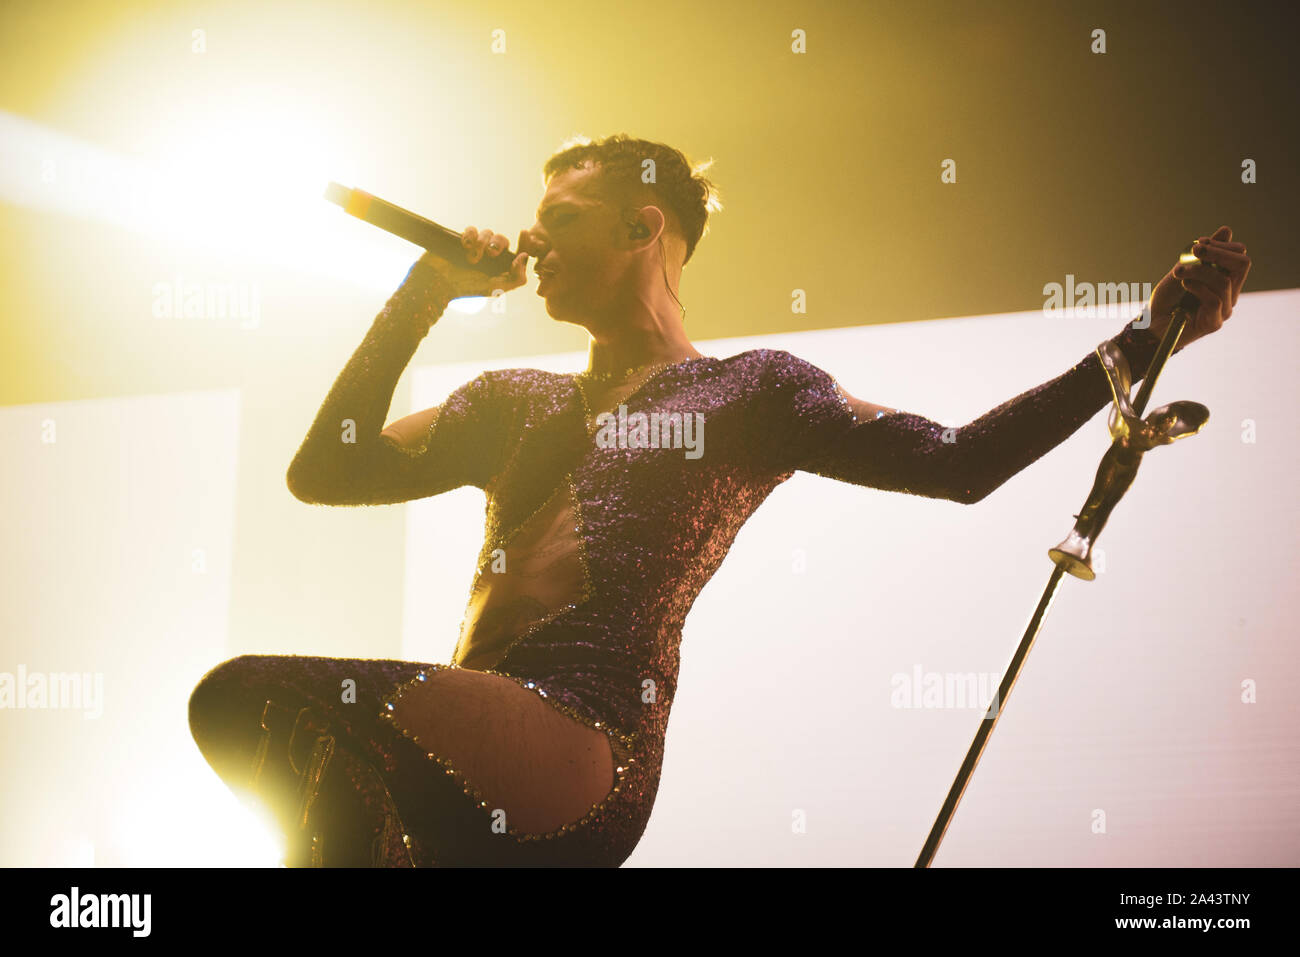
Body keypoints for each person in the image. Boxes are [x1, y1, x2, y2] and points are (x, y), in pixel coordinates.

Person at [187, 134, 1251, 867]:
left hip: (584, 742)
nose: (533, 241)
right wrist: (423, 293)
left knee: (246, 696)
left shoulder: (751, 390)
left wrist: (1138, 339)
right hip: (467, 758)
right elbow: (324, 470)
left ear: (642, 225)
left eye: (559, 217)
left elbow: (957, 462)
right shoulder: (507, 401)